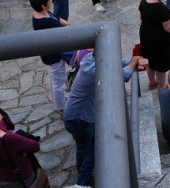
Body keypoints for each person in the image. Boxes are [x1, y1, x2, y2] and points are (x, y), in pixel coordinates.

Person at [63, 51, 147, 186]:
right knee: (92, 150)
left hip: (75, 116)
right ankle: (81, 183)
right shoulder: (93, 72)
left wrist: (136, 59)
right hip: (80, 119)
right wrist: (134, 62)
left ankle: (83, 175)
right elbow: (122, 75)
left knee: (83, 147)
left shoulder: (91, 59)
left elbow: (119, 64)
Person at [30, 0, 69, 114]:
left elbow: (56, 18)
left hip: (48, 53)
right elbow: (60, 30)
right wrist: (68, 27)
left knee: (54, 78)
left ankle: (57, 99)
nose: (51, 1)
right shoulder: (46, 21)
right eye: (48, 1)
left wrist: (65, 23)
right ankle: (61, 107)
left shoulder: (40, 14)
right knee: (58, 81)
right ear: (43, 5)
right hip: (54, 55)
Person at [139, 0, 170, 90]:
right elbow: (169, 28)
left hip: (145, 36)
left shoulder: (144, 0)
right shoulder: (161, 8)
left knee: (148, 60)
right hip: (159, 41)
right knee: (160, 65)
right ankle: (161, 86)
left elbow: (140, 18)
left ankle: (152, 82)